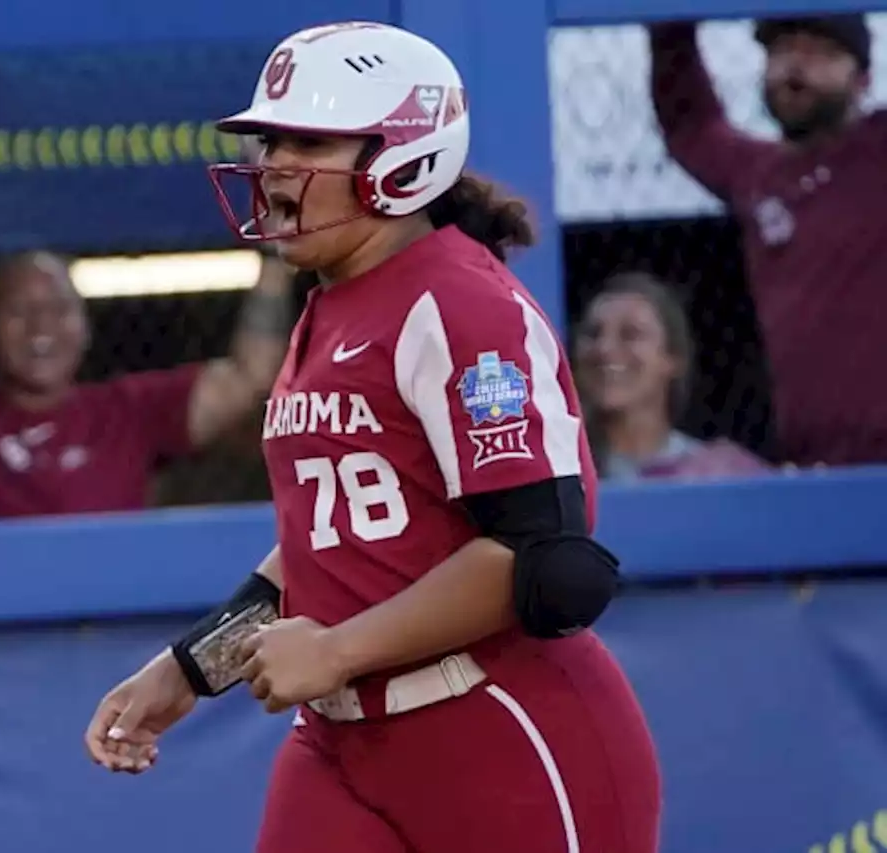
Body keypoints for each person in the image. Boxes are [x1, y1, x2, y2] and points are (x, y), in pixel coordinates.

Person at [85, 21, 660, 853]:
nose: (275, 163)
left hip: (498, 724)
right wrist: (190, 666)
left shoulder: (458, 303)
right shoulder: (328, 303)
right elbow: (329, 541)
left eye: (309, 138)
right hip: (345, 735)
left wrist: (340, 647)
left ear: (404, 159)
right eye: (271, 138)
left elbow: (544, 551)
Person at [649, 15, 887, 467]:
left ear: (863, 79)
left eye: (819, 52)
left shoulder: (878, 152)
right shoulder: (760, 174)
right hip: (814, 461)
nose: (795, 65)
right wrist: (669, 28)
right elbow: (690, 124)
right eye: (781, 49)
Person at [0, 249, 294, 519]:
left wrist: (274, 253)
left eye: (60, 309)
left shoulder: (126, 411)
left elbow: (248, 377)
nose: (41, 326)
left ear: (85, 327)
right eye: (19, 311)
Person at [575, 272, 768, 480]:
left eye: (630, 334)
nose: (604, 348)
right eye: (593, 334)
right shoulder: (559, 470)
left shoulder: (722, 472)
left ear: (673, 358)